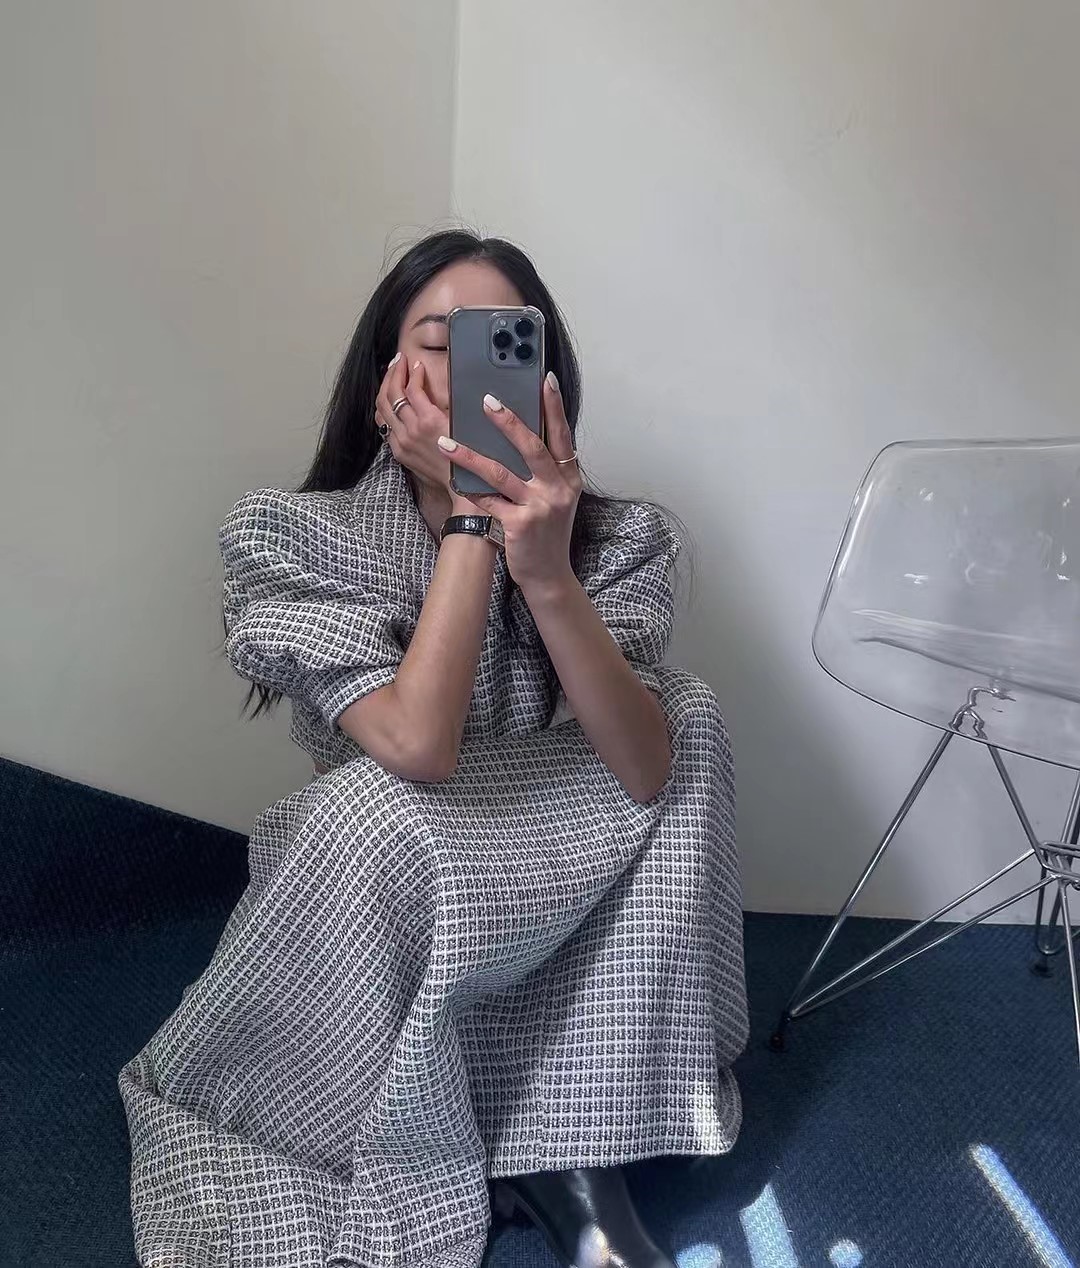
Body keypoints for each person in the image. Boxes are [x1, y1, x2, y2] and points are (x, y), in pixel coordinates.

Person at [117, 229, 749, 1268]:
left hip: (574, 868)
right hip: (399, 871)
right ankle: (503, 1142)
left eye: (499, 343)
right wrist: (470, 521)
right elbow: (415, 744)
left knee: (687, 711)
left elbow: (646, 771)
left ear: (545, 374)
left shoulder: (622, 538)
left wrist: (546, 569)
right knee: (362, 805)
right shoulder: (289, 533)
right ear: (386, 378)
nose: (467, 372)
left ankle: (574, 1146)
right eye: (436, 343)